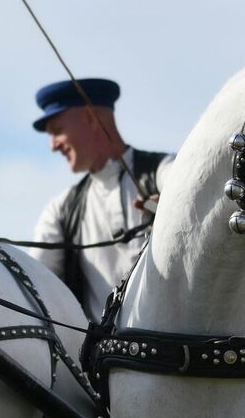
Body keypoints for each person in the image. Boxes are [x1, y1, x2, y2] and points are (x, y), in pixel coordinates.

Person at [29, 78, 175, 316]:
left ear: (90, 117)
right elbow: (34, 282)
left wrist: (175, 209)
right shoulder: (61, 210)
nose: (52, 146)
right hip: (104, 352)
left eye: (57, 131)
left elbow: (195, 198)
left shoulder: (164, 170)